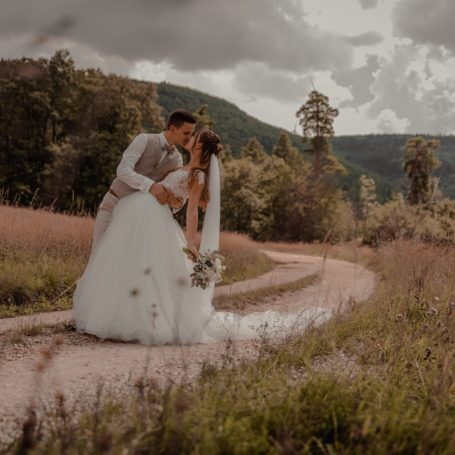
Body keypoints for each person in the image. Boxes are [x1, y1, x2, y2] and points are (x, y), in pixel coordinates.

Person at [73, 128, 331, 345]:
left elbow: (192, 211)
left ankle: (142, 322)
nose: (190, 137)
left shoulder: (197, 176)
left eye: (194, 137)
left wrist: (191, 243)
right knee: (135, 265)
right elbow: (173, 198)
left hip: (153, 221)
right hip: (144, 215)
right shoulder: (184, 166)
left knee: (149, 270)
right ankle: (121, 314)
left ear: (200, 147)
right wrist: (171, 201)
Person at [90, 109, 196, 255]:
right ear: (172, 128)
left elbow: (175, 187)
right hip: (114, 204)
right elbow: (122, 170)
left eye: (192, 134)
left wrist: (177, 200)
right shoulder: (144, 140)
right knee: (98, 254)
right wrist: (151, 185)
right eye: (186, 133)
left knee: (123, 259)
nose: (190, 137)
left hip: (139, 217)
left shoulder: (178, 159)